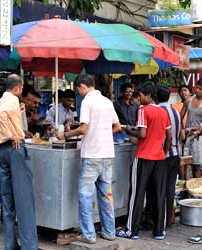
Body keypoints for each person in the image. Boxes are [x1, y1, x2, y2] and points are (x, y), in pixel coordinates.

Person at [58, 74, 121, 244]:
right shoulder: (107, 101)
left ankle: (89, 235)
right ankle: (109, 232)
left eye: (78, 89)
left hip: (92, 155)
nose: (78, 92)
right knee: (106, 195)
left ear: (82, 86)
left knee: (85, 196)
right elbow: (117, 126)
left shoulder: (87, 101)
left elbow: (84, 128)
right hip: (107, 154)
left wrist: (65, 135)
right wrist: (103, 133)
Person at [117, 82, 172, 240]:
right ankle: (159, 231)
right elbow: (169, 136)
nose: (138, 99)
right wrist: (163, 151)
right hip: (159, 158)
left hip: (143, 157)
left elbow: (141, 133)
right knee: (158, 195)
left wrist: (127, 128)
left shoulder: (143, 110)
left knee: (137, 194)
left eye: (140, 95)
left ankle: (131, 231)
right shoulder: (163, 112)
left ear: (148, 95)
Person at [0, 74, 38, 250]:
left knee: (8, 202)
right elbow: (1, 115)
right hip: (14, 149)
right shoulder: (11, 100)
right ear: (18, 87)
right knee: (24, 200)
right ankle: (29, 246)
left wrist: (19, 113)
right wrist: (12, 134)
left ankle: (10, 245)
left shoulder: (1, 100)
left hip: (0, 151)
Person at [157, 86, 184, 228]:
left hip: (162, 155)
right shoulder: (176, 112)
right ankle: (168, 221)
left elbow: (164, 135)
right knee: (169, 188)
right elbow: (181, 135)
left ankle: (159, 221)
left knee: (159, 188)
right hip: (175, 154)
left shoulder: (158, 111)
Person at [181, 80, 202, 178]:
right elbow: (179, 116)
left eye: (200, 89)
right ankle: (185, 192)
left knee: (196, 165)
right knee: (185, 163)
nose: (197, 90)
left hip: (198, 139)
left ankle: (195, 191)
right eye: (196, 87)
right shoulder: (189, 100)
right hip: (187, 137)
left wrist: (194, 130)